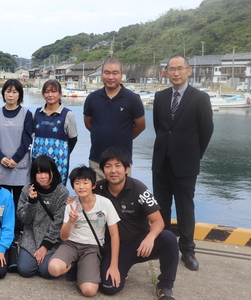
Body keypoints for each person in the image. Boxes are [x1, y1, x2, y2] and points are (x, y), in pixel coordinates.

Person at [152, 55, 214, 271]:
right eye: (171, 69)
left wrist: (194, 155)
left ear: (188, 71)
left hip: (186, 164)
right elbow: (160, 128)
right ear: (166, 72)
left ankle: (188, 250)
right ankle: (163, 247)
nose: (175, 73)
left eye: (180, 69)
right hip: (161, 162)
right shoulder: (160, 97)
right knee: (161, 207)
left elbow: (206, 131)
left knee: (185, 208)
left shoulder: (200, 98)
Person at [95, 147, 179, 300]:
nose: (113, 170)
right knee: (108, 287)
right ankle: (120, 268)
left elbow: (158, 221)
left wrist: (150, 237)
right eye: (108, 166)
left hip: (139, 244)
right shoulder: (98, 189)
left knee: (169, 238)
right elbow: (82, 202)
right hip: (113, 247)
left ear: (126, 169)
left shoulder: (139, 189)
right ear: (103, 170)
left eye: (118, 165)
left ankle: (165, 286)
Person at [48, 166, 120, 297]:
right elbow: (63, 237)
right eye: (77, 183)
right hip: (71, 244)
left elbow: (115, 235)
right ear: (73, 186)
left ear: (93, 185)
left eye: (85, 182)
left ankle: (81, 269)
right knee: (53, 269)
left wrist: (114, 265)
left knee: (89, 291)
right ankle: (74, 265)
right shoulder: (71, 205)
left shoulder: (105, 204)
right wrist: (71, 221)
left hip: (92, 248)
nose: (81, 187)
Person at [83, 57, 145, 180]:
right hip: (97, 159)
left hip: (122, 161)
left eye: (115, 73)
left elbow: (140, 126)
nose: (110, 77)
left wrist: (124, 136)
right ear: (102, 75)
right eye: (107, 73)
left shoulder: (132, 99)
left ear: (121, 74)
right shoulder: (92, 98)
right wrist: (101, 133)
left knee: (121, 197)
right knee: (97, 197)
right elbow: (88, 123)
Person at [0, 79, 33, 237]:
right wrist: (0, 158)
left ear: (19, 94)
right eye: (8, 91)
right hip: (1, 166)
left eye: (14, 92)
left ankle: (18, 232)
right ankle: (1, 231)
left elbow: (28, 139)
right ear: (3, 93)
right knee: (2, 203)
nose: (11, 95)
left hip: (20, 166)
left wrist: (15, 159)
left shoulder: (27, 114)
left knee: (19, 203)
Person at [16, 155, 67, 278]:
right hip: (31, 236)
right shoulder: (27, 190)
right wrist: (31, 202)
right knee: (25, 270)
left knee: (47, 271)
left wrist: (45, 246)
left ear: (53, 173)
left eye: (45, 172)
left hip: (52, 239)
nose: (42, 176)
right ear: (34, 174)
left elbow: (58, 222)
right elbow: (24, 219)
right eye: (38, 172)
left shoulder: (62, 192)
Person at [32, 80, 77, 185]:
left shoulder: (67, 114)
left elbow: (73, 139)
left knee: (57, 190)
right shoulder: (37, 113)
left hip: (59, 161)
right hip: (38, 160)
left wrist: (62, 153)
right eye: (47, 92)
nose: (50, 95)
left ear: (60, 94)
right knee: (38, 189)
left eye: (54, 91)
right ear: (43, 94)